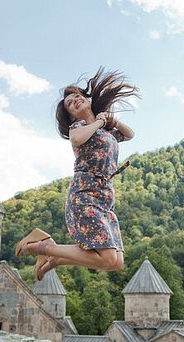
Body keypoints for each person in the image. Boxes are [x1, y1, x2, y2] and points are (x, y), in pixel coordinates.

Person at [15, 67, 139, 280]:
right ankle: (42, 248)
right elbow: (76, 139)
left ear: (88, 100)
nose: (74, 101)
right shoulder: (79, 126)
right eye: (69, 104)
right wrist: (100, 121)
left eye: (77, 97)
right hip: (85, 195)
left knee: (116, 262)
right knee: (108, 258)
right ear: (71, 115)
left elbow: (129, 135)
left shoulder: (106, 132)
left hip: (105, 199)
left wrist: (112, 121)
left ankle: (56, 258)